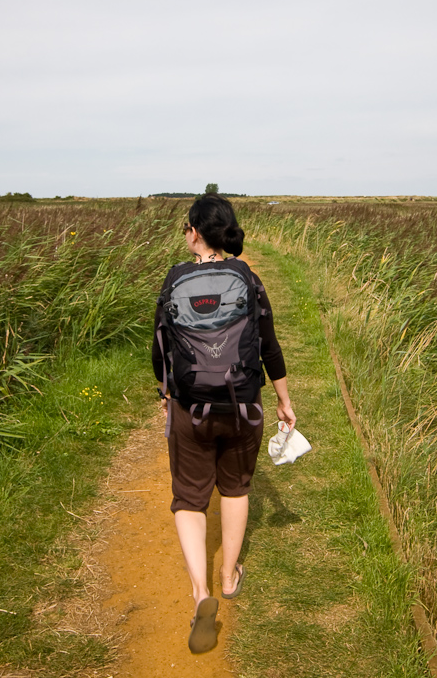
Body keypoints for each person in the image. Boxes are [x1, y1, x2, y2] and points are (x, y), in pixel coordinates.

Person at [152, 193, 296, 654]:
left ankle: (200, 594)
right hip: (243, 405)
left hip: (190, 406)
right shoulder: (248, 279)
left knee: (190, 499)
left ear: (194, 231)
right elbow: (269, 346)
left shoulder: (174, 279)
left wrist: (166, 392)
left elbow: (159, 350)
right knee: (234, 488)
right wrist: (283, 401)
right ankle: (229, 577)